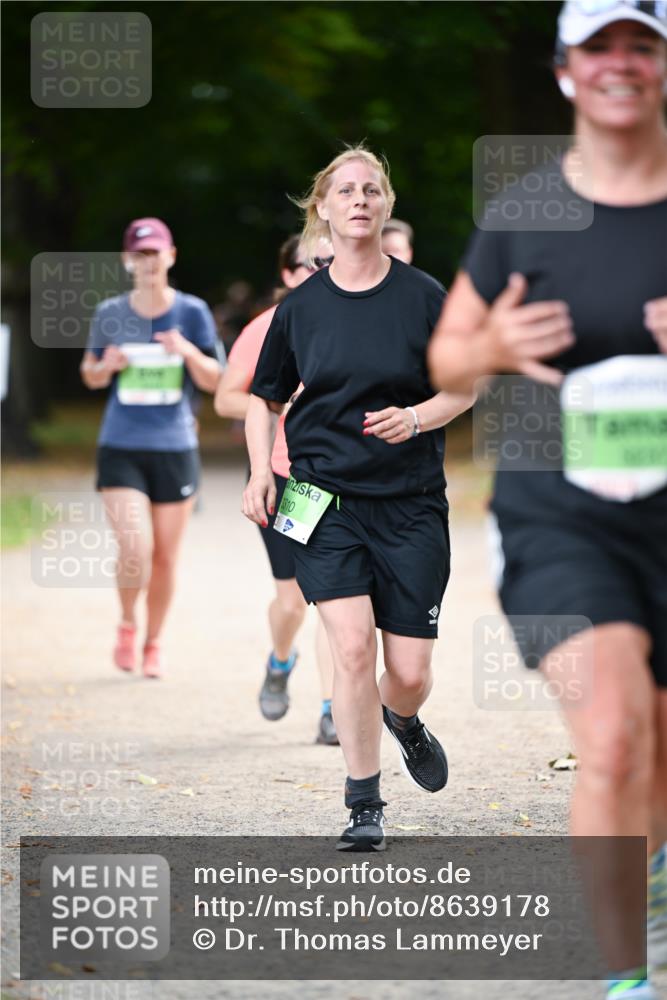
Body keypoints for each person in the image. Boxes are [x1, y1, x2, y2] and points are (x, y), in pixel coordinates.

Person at [428, 4, 667, 997]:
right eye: (599, 47)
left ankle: (647, 874)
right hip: (558, 512)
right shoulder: (528, 211)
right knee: (611, 732)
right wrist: (489, 350)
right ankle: (623, 975)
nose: (619, 64)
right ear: (566, 69)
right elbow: (444, 351)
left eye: (641, 45)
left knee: (656, 740)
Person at [242, 146, 473, 851]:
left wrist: (417, 418)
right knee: (347, 647)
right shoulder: (300, 308)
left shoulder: (425, 296)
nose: (359, 200)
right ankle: (362, 804)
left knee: (405, 673)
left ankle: (403, 721)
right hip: (321, 499)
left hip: (408, 504)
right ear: (324, 208)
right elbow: (264, 397)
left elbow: (463, 386)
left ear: (387, 204)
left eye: (372, 188)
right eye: (345, 190)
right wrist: (259, 471)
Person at [80, 218, 223, 678]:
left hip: (174, 446)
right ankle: (126, 622)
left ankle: (154, 641)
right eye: (138, 255)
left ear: (171, 256)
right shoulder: (109, 313)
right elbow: (90, 374)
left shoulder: (193, 312)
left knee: (164, 556)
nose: (147, 262)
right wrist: (108, 364)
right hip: (120, 444)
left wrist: (186, 352)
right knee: (135, 548)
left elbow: (217, 379)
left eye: (154, 253)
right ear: (127, 261)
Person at [214, 234, 340, 745]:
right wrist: (277, 403)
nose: (323, 270)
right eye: (313, 264)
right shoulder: (267, 327)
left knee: (337, 598)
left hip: (339, 479)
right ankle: (280, 659)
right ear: (288, 274)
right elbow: (226, 398)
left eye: (330, 262)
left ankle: (334, 707)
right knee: (292, 602)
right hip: (285, 476)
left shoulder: (354, 319)